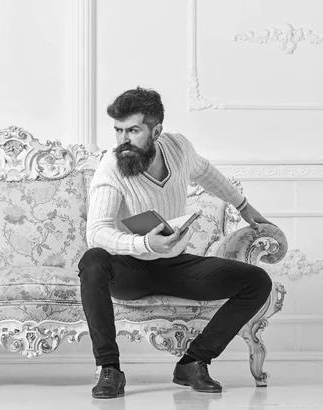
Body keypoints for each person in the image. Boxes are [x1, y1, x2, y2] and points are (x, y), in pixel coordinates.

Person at [79, 87, 273, 398]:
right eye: (118, 130)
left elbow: (206, 172)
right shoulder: (112, 166)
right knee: (92, 261)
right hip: (130, 270)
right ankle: (109, 370)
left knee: (257, 281)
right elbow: (97, 233)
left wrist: (243, 206)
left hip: (176, 264)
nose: (122, 140)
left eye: (133, 130)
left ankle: (193, 363)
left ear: (156, 130)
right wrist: (145, 244)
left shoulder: (178, 147)